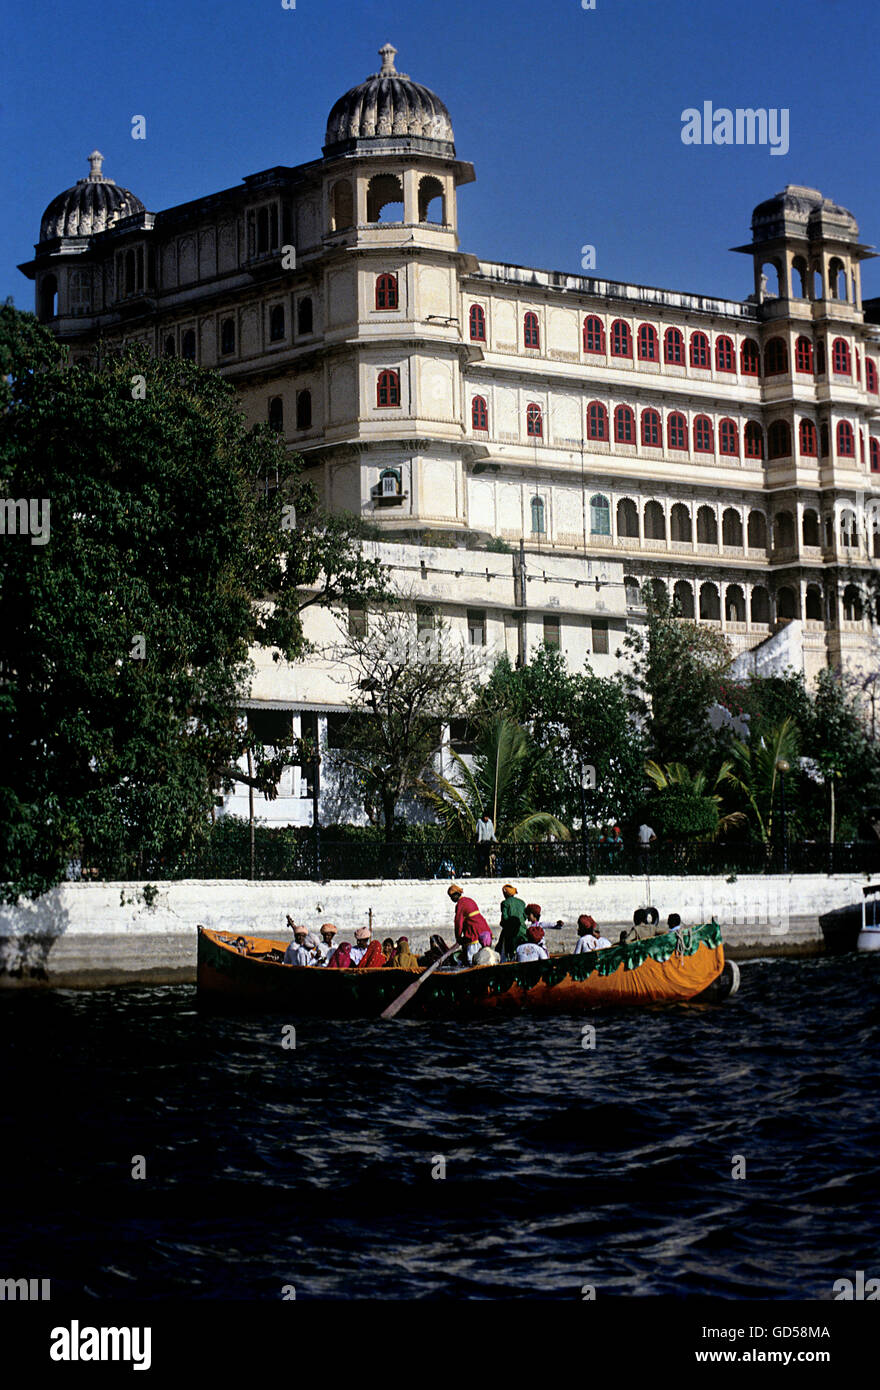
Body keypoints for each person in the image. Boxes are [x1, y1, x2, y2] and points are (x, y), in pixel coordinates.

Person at [447, 883, 489, 964]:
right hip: (484, 930)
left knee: (471, 958)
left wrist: (458, 938)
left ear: (456, 895)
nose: (451, 899)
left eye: (452, 896)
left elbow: (458, 923)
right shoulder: (469, 900)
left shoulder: (460, 904)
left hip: (474, 931)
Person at [498, 884, 528, 960]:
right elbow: (525, 916)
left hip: (511, 933)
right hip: (523, 930)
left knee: (507, 951)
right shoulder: (522, 902)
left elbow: (505, 918)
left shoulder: (505, 903)